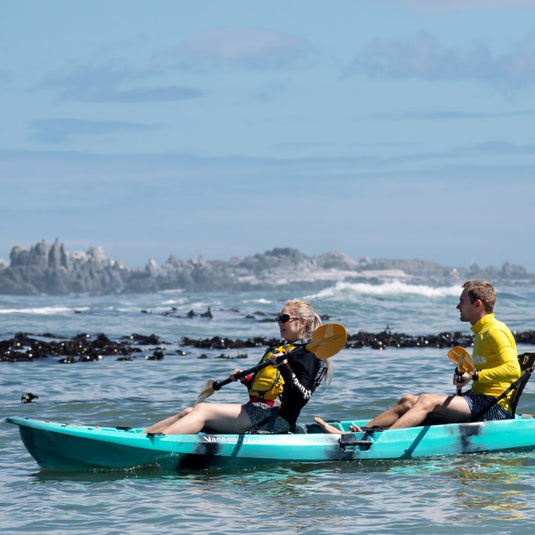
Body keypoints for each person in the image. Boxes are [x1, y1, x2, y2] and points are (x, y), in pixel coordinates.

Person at [315, 280, 520, 433]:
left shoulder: (495, 331)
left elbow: (514, 370)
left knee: (426, 400)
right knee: (406, 401)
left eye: (462, 301)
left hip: (495, 407)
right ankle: (362, 432)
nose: (458, 306)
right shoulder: (481, 332)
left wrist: (474, 375)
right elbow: (482, 372)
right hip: (477, 399)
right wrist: (463, 378)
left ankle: (384, 441)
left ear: (477, 305)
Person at [144, 299, 329, 435]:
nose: (279, 323)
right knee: (188, 412)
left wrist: (285, 367)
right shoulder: (281, 350)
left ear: (302, 322)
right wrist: (246, 380)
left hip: (276, 421)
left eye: (284, 318)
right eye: (278, 318)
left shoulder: (310, 355)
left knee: (202, 410)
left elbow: (300, 398)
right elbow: (267, 388)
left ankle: (157, 444)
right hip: (259, 411)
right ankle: (141, 437)